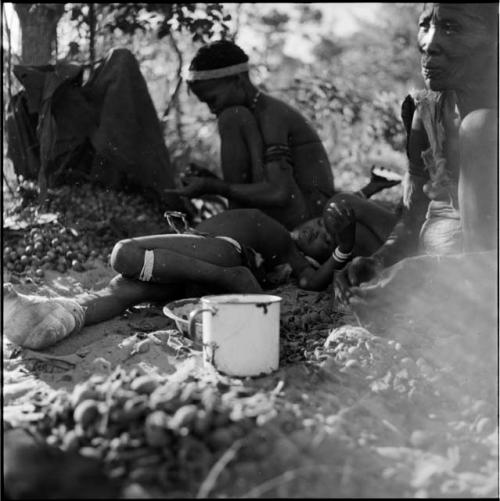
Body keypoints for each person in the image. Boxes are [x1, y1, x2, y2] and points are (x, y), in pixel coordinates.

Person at [4, 195, 397, 350]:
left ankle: (228, 282)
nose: (318, 233)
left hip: (222, 258)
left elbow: (312, 279)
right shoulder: (283, 239)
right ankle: (52, 321)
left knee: (125, 254)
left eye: (323, 242)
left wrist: (344, 245)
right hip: (194, 271)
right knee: (124, 290)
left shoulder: (283, 245)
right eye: (320, 225)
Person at [335, 3, 498, 302]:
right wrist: (380, 262)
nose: (429, 43)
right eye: (425, 25)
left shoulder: (486, 127)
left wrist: (417, 278)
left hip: (479, 289)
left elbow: (485, 266)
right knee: (340, 212)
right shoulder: (427, 111)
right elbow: (413, 218)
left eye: (451, 27)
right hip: (443, 267)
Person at [168, 40, 401, 230]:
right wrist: (212, 183)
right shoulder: (255, 112)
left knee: (232, 117)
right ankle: (239, 229)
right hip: (302, 211)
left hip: (311, 220)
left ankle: (241, 232)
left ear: (238, 81)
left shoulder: (269, 115)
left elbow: (279, 193)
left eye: (213, 100)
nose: (212, 109)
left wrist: (215, 186)